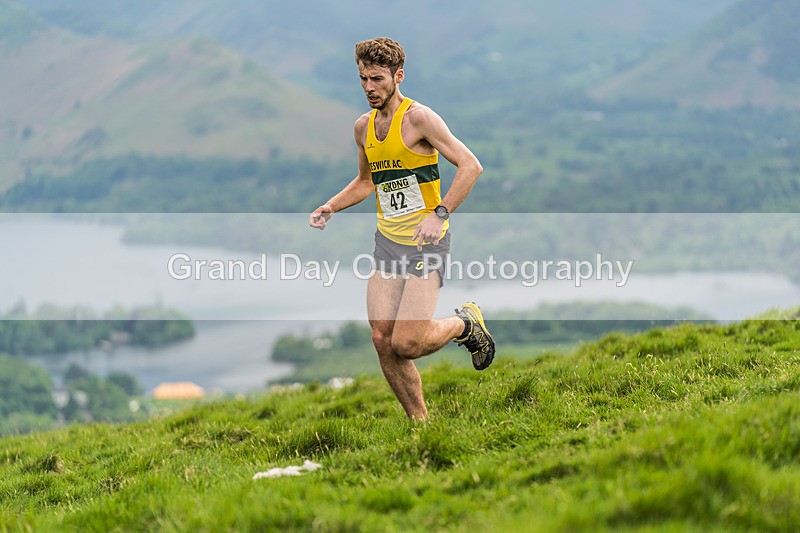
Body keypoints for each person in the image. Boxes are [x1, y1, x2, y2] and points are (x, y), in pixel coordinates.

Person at [309, 37, 494, 420]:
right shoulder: (363, 128)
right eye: (362, 79)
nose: (368, 88)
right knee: (382, 339)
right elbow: (366, 182)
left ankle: (464, 324)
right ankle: (420, 424)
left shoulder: (420, 119)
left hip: (428, 244)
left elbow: (470, 165)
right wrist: (332, 205)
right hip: (388, 245)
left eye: (377, 79)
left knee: (407, 343)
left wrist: (439, 213)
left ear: (398, 76)